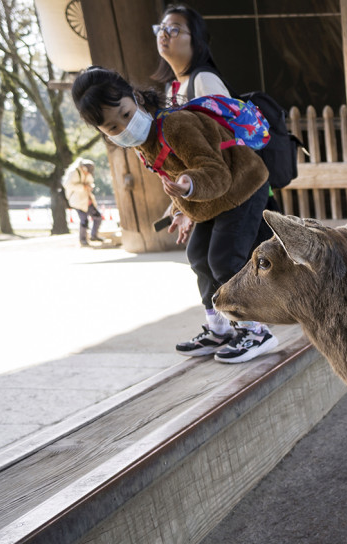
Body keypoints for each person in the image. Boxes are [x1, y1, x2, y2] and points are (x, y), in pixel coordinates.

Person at [72, 66, 277, 364]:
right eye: (113, 128)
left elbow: (215, 173)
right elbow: (177, 178)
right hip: (208, 198)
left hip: (241, 186)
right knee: (197, 256)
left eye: (126, 115)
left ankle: (255, 330)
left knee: (223, 259)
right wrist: (183, 210)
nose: (124, 128)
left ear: (137, 99)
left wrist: (188, 185)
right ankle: (220, 328)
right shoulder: (144, 144)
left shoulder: (177, 126)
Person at [61, 157, 103, 247]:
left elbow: (90, 182)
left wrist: (89, 186)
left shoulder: (88, 173)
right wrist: (82, 187)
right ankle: (83, 239)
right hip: (78, 201)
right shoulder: (74, 172)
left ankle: (94, 235)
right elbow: (67, 185)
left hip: (87, 199)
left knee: (98, 217)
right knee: (84, 220)